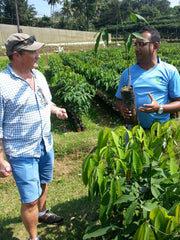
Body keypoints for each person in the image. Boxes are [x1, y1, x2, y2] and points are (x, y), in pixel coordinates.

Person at [0, 33, 68, 240]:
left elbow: (47, 102)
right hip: (21, 151)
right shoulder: (2, 83)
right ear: (17, 55)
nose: (39, 55)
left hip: (45, 143)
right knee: (29, 199)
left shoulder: (39, 76)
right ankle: (33, 237)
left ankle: (42, 213)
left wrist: (55, 110)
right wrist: (0, 158)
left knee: (43, 182)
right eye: (33, 52)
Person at [116, 26, 180, 129]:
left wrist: (159, 108)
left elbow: (178, 102)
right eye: (135, 44)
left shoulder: (169, 71)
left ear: (155, 46)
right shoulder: (127, 73)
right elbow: (119, 100)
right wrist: (122, 108)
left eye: (141, 44)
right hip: (133, 131)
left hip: (159, 132)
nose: (137, 49)